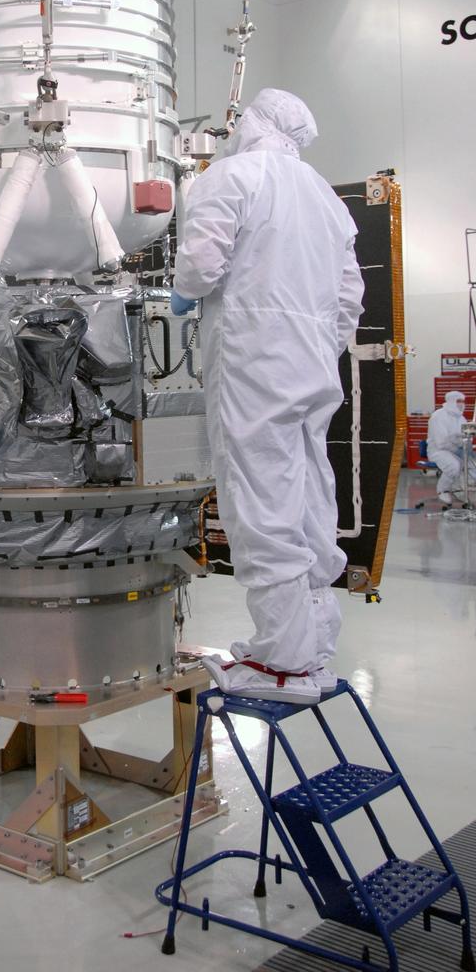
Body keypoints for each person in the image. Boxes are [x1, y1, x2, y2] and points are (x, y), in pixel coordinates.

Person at [171, 89, 364, 704]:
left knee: (261, 504)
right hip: (311, 367)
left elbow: (200, 268)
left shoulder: (231, 177)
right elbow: (348, 301)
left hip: (253, 362)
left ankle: (283, 662)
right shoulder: (327, 199)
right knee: (309, 497)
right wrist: (312, 344)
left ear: (253, 122)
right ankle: (312, 643)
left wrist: (185, 292)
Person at [427, 390, 474, 505]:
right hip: (438, 451)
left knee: (471, 467)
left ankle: (457, 489)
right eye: (458, 401)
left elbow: (465, 436)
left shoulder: (460, 418)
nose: (461, 404)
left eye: (463, 401)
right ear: (451, 401)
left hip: (456, 450)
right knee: (454, 465)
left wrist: (468, 439)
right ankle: (443, 490)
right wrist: (458, 445)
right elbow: (441, 442)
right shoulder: (438, 416)